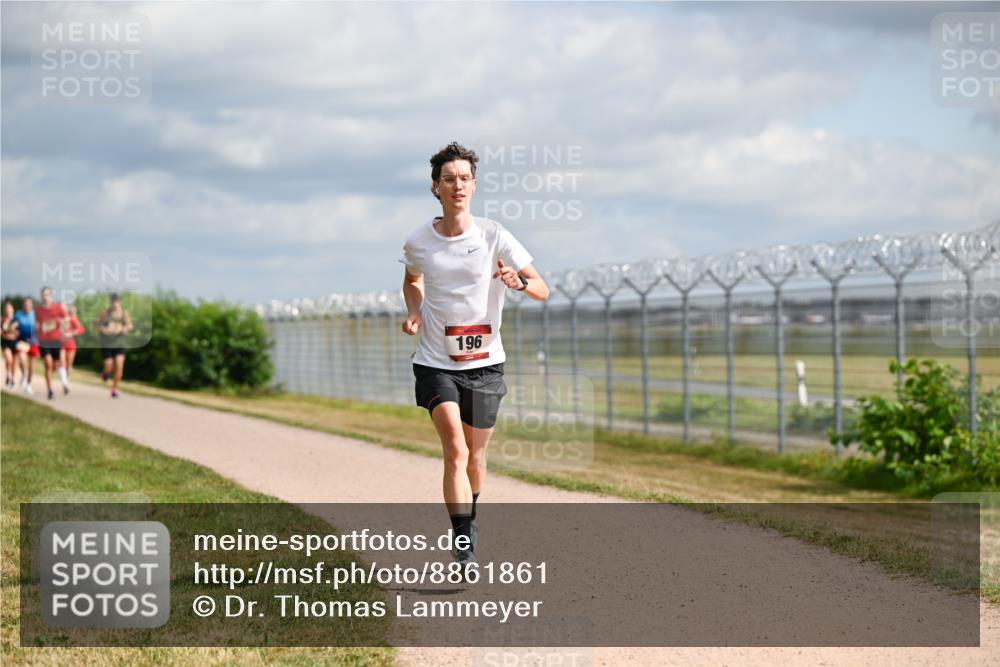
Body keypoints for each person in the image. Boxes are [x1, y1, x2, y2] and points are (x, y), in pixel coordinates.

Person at [401, 142, 549, 571]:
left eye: (464, 178)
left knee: (477, 455)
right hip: (435, 361)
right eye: (449, 179)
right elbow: (412, 280)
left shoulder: (494, 235)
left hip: (485, 363)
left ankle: (472, 516)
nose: (457, 185)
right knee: (455, 450)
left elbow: (542, 288)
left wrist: (517, 282)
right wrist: (414, 310)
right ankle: (462, 538)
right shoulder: (419, 241)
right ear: (436, 188)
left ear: (474, 185)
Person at [35, 287, 68, 400]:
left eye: (47, 294)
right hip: (44, 340)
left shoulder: (58, 308)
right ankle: (50, 390)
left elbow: (66, 319)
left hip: (56, 339)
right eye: (43, 295)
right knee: (48, 363)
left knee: (56, 364)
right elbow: (36, 324)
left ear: (51, 296)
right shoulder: (38, 310)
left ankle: (58, 380)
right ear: (41, 296)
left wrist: (61, 323)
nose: (45, 297)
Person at [97, 293, 133, 398]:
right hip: (107, 344)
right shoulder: (105, 313)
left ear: (120, 302)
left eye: (117, 301)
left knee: (119, 364)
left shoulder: (124, 314)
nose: (115, 303)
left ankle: (114, 389)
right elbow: (97, 325)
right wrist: (103, 329)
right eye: (113, 301)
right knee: (109, 366)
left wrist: (125, 328)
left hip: (119, 344)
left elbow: (130, 325)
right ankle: (105, 373)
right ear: (111, 302)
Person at [13, 297, 37, 395]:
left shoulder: (36, 315)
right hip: (22, 341)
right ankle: (24, 375)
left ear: (31, 305)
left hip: (34, 342)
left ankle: (29, 384)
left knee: (32, 366)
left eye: (28, 304)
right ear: (23, 305)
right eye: (25, 304)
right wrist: (13, 328)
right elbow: (14, 325)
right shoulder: (18, 314)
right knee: (22, 360)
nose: (27, 306)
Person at [60, 304, 86, 384]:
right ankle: (64, 381)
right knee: (62, 362)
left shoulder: (72, 319)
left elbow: (81, 329)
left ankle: (67, 377)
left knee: (69, 365)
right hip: (61, 344)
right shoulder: (58, 318)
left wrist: (72, 333)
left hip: (71, 344)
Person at [2, 302, 20, 387]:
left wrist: (12, 329)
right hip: (6, 342)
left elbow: (19, 332)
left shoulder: (16, 320)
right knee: (9, 359)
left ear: (13, 310)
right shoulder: (2, 320)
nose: (8, 310)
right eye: (7, 308)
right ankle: (8, 375)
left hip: (15, 342)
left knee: (14, 362)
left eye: (10, 308)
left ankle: (12, 378)